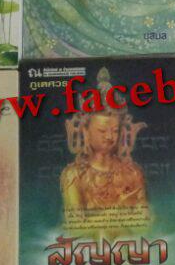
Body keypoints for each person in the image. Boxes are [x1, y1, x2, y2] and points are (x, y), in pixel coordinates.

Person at [60, 68, 148, 212]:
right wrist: (120, 206)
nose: (109, 137)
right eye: (102, 130)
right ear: (86, 132)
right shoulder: (74, 176)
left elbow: (145, 220)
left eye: (115, 130)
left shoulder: (133, 173)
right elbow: (75, 223)